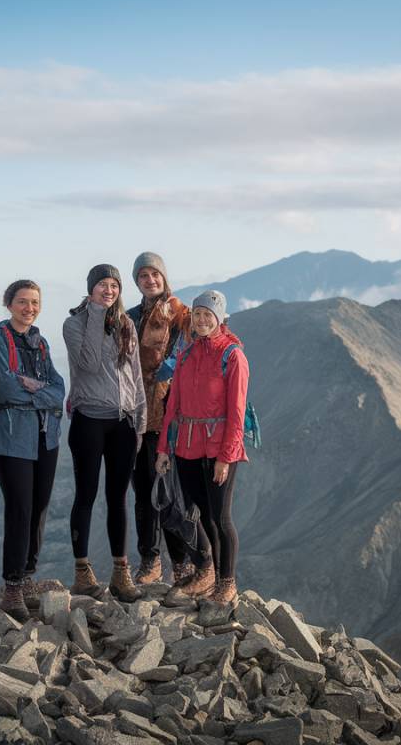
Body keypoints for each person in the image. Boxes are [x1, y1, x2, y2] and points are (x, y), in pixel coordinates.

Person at [156, 290, 250, 606]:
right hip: (187, 447)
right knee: (202, 516)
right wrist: (163, 450)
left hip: (219, 448)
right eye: (197, 314)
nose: (201, 319)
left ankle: (227, 583)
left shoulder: (232, 355)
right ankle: (209, 576)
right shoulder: (185, 355)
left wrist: (226, 457)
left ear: (219, 318)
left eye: (207, 314)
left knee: (221, 518)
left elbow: (237, 412)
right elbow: (173, 407)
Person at [0, 280, 66, 620]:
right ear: (9, 304)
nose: (28, 307)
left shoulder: (41, 343)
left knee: (39, 508)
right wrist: (38, 391)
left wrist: (33, 387)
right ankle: (12, 586)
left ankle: (27, 575)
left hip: (46, 438)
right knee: (20, 509)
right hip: (13, 438)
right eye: (22, 301)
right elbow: (3, 391)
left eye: (34, 302)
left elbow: (59, 389)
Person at [63, 264, 147, 603]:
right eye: (102, 285)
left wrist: (139, 422)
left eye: (113, 285)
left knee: (118, 498)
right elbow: (89, 363)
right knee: (85, 494)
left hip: (123, 422)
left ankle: (120, 571)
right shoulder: (74, 324)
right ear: (90, 289)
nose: (108, 290)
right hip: (89, 419)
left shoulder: (126, 324)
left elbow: (136, 375)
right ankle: (82, 572)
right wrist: (96, 314)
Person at [125, 251, 198, 586]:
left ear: (164, 277)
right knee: (142, 491)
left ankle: (182, 562)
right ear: (137, 281)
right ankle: (150, 560)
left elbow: (200, 341)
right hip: (136, 413)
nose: (150, 280)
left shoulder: (180, 314)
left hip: (170, 413)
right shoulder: (130, 317)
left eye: (155, 274)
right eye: (143, 276)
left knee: (169, 491)